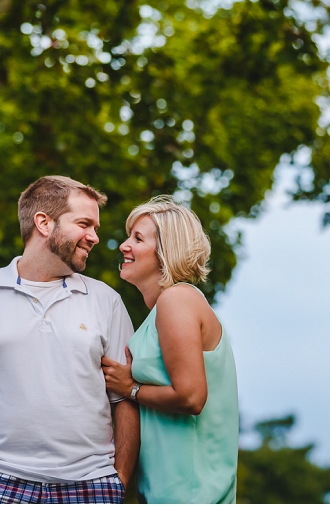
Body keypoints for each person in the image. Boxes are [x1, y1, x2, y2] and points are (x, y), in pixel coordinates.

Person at [0, 175, 138, 504]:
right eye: (85, 224)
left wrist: (119, 479)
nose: (94, 237)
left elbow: (124, 398)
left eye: (96, 228)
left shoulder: (106, 301)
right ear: (44, 223)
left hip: (89, 487)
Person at [102, 196, 239, 504]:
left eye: (138, 238)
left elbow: (191, 396)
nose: (124, 245)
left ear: (166, 251)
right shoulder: (158, 313)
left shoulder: (177, 300)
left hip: (191, 493)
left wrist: (131, 388)